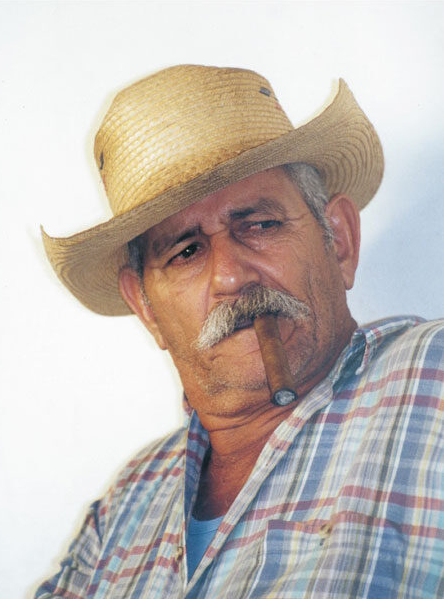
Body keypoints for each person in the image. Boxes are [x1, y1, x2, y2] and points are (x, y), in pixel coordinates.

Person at [36, 65, 443, 598]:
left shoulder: (433, 380)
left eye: (260, 224)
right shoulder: (123, 509)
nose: (230, 276)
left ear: (339, 239)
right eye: (186, 251)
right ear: (146, 308)